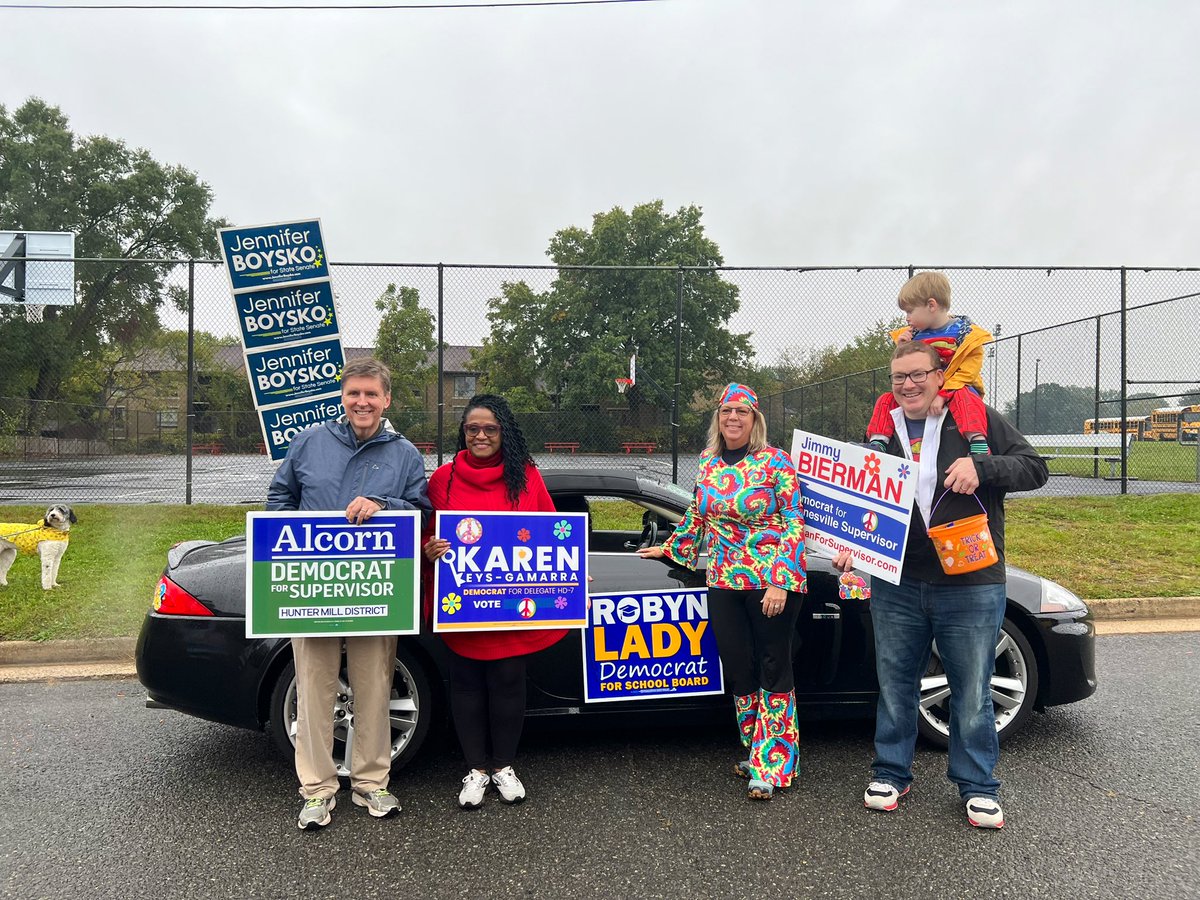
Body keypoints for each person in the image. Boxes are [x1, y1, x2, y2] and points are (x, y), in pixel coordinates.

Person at [834, 341, 1048, 830]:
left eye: (917, 374)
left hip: (970, 581)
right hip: (898, 580)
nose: (907, 384)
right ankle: (891, 772)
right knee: (895, 685)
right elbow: (858, 500)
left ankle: (978, 786)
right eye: (898, 377)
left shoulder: (975, 417)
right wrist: (847, 541)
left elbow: (1035, 468)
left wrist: (983, 466)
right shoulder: (879, 431)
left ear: (938, 374)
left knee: (971, 690)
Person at [266, 357, 431, 831]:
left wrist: (383, 504)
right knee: (313, 690)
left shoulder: (403, 454)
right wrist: (295, 540)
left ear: (386, 400)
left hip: (376, 590)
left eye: (371, 394)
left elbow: (421, 511)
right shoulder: (309, 443)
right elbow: (279, 500)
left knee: (374, 687)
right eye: (354, 393)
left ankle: (372, 783)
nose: (362, 401)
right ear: (343, 396)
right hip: (314, 589)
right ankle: (317, 790)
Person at [638, 383, 807, 801]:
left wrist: (781, 580)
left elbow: (793, 521)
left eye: (742, 412)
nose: (733, 418)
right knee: (738, 668)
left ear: (755, 420)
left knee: (773, 666)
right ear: (718, 418)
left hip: (770, 582)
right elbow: (697, 515)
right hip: (724, 579)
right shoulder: (709, 464)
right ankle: (755, 750)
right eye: (727, 411)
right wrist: (672, 548)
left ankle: (775, 764)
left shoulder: (775, 462)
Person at [422, 394, 567, 810]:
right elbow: (426, 533)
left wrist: (571, 568)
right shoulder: (443, 479)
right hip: (463, 606)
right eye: (473, 429)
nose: (481, 435)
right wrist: (428, 550)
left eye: (490, 429)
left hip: (511, 606)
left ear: (504, 432)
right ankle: (476, 770)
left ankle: (503, 766)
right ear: (462, 433)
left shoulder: (526, 475)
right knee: (466, 685)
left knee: (507, 684)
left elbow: (552, 528)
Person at [866, 271, 993, 457]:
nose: (907, 318)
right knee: (886, 399)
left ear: (931, 305)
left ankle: (978, 442)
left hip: (957, 388)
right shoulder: (914, 335)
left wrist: (943, 394)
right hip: (928, 390)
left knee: (965, 397)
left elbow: (968, 372)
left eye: (910, 311)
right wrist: (902, 348)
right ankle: (878, 442)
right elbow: (906, 368)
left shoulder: (965, 334)